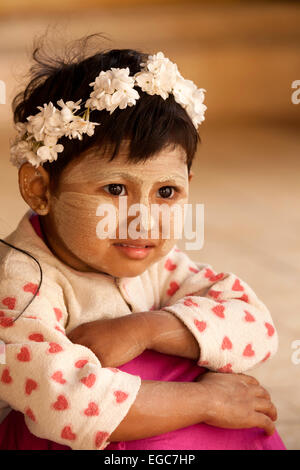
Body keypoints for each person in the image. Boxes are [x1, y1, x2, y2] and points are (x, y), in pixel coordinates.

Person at [0, 34, 286, 450]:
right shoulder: (19, 283)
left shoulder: (149, 263)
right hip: (41, 435)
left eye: (166, 193)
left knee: (229, 393)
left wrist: (147, 328)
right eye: (115, 189)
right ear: (40, 188)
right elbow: (70, 407)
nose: (143, 221)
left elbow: (255, 327)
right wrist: (205, 400)